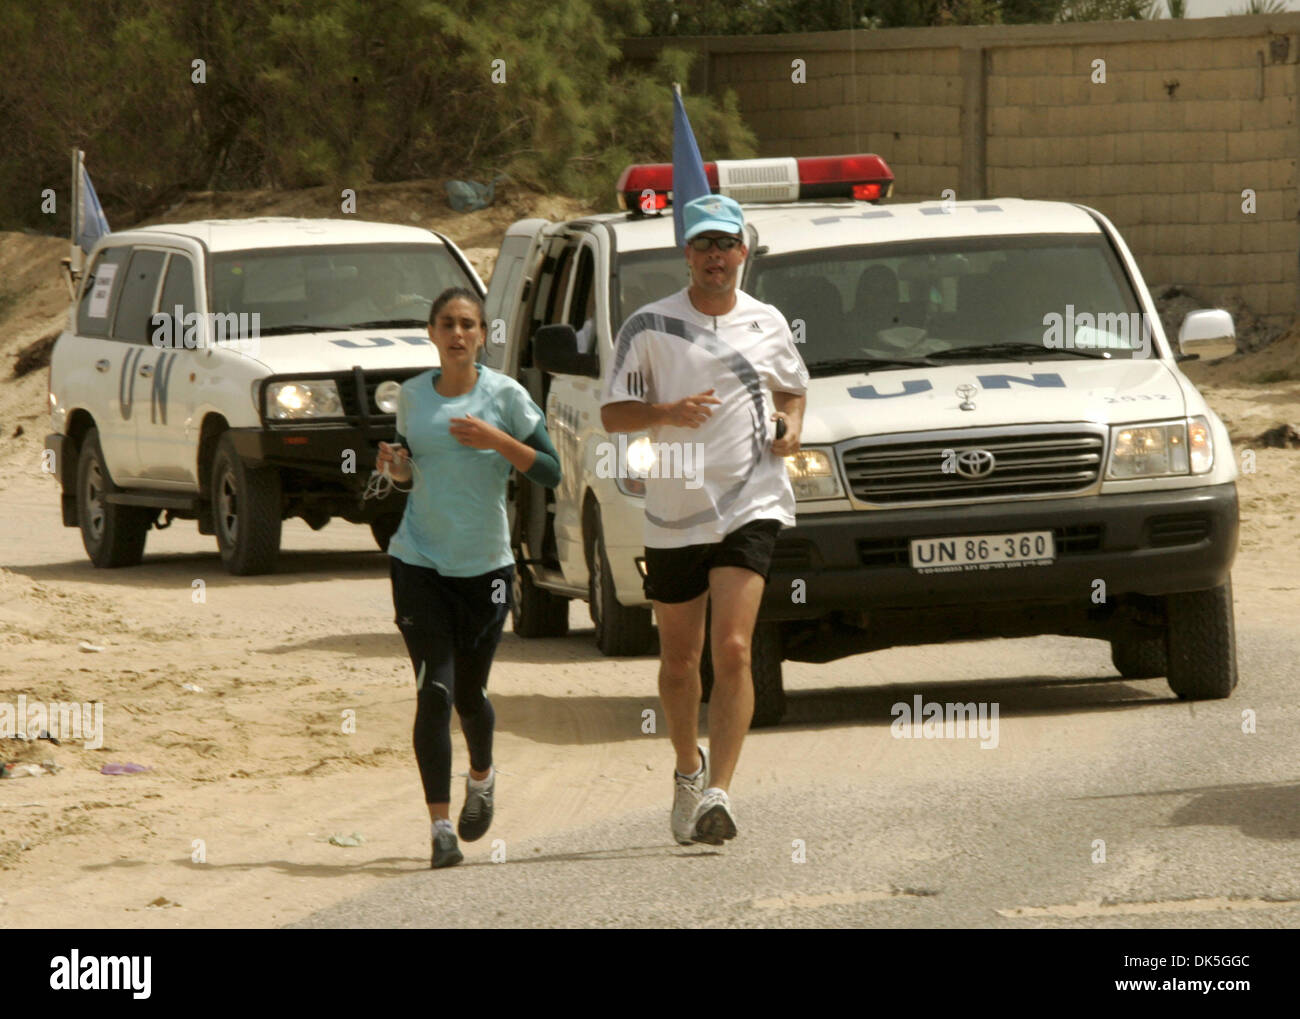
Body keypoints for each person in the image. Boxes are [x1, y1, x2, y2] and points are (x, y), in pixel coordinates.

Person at [599, 194, 809, 846]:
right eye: (703, 246)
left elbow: (794, 389)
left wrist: (789, 429)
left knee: (735, 648)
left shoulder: (769, 321)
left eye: (726, 245)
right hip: (676, 508)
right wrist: (665, 410)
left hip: (751, 502)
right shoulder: (648, 325)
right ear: (686, 254)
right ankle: (687, 771)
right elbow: (613, 413)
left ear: (743, 252)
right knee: (679, 662)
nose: (716, 257)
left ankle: (720, 789)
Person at [377, 286, 562, 868]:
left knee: (467, 694)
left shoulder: (504, 395)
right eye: (446, 324)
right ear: (431, 333)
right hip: (419, 561)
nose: (457, 334)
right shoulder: (410, 397)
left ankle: (480, 776)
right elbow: (410, 476)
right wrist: (398, 469)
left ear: (483, 335)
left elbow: (552, 473)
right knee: (433, 690)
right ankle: (438, 830)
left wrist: (498, 440)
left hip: (486, 568)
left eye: (468, 324)